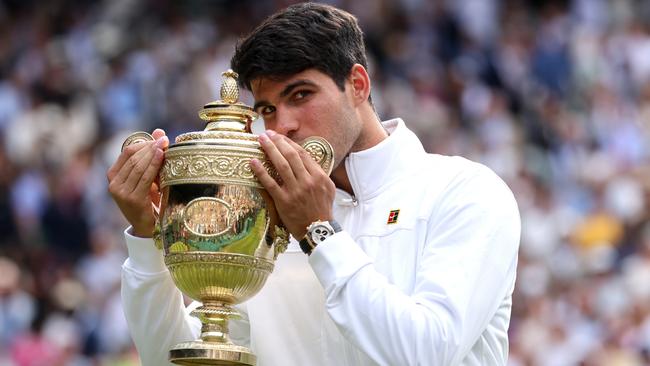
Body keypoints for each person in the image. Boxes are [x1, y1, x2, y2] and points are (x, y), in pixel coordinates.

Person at [108, 3, 520, 365]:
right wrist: (147, 238)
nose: (283, 124)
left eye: (301, 95)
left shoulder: (466, 191)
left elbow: (426, 353)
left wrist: (319, 233)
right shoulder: (261, 216)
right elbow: (180, 361)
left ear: (357, 85)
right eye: (267, 109)